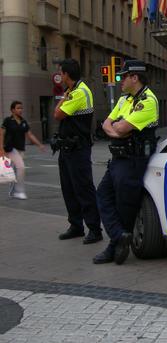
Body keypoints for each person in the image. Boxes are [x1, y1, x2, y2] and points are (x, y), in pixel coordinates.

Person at [93, 60, 159, 265]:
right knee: (102, 195)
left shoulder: (148, 101)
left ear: (135, 77)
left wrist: (117, 130)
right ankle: (119, 235)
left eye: (123, 76)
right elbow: (106, 124)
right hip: (118, 158)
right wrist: (117, 130)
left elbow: (120, 129)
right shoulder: (124, 99)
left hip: (133, 160)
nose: (119, 80)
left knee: (125, 205)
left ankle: (116, 244)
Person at [53, 58, 103, 244]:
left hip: (78, 149)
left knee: (83, 189)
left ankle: (94, 229)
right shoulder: (72, 91)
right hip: (67, 148)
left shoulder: (79, 92)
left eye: (61, 72)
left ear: (66, 74)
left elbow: (57, 114)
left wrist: (63, 99)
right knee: (69, 189)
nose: (59, 75)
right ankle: (76, 225)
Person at [0, 101, 46, 199]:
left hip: (20, 149)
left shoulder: (23, 122)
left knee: (14, 171)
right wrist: (1, 148)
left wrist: (39, 145)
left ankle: (13, 191)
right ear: (12, 110)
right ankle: (19, 191)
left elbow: (30, 135)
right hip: (10, 148)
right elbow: (1, 134)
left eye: (21, 108)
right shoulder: (8, 121)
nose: (20, 110)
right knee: (21, 167)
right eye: (18, 108)